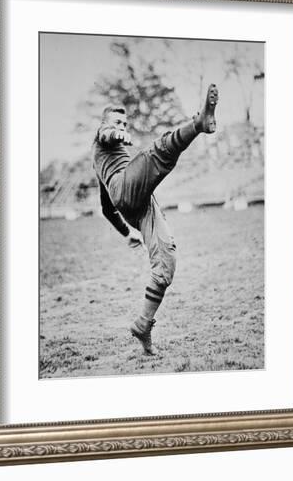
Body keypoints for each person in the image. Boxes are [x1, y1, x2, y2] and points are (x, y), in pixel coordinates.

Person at [92, 84, 219, 355]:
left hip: (136, 205)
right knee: (156, 153)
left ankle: (143, 324)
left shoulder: (109, 161)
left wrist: (127, 233)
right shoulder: (102, 139)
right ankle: (199, 123)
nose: (122, 126)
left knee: (166, 261)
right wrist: (117, 132)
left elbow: (106, 208)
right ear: (104, 124)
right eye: (117, 121)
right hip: (125, 189)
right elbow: (106, 134)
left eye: (125, 123)